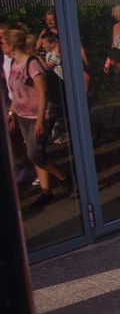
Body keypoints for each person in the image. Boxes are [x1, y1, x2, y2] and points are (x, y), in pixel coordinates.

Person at [3, 28, 71, 208]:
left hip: (39, 115)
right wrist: (11, 113)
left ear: (12, 45)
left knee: (34, 153)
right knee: (37, 154)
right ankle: (46, 192)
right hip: (23, 115)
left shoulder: (31, 63)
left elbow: (43, 92)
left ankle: (64, 177)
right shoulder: (14, 63)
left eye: (3, 43)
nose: (1, 46)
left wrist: (40, 119)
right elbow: (16, 92)